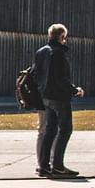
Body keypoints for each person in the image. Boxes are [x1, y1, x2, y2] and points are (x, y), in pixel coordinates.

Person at [32, 23, 85, 178]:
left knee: (50, 130)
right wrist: (75, 90)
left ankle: (44, 166)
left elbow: (36, 75)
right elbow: (61, 79)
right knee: (65, 129)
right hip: (59, 98)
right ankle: (58, 165)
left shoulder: (41, 52)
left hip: (45, 97)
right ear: (62, 37)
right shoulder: (58, 53)